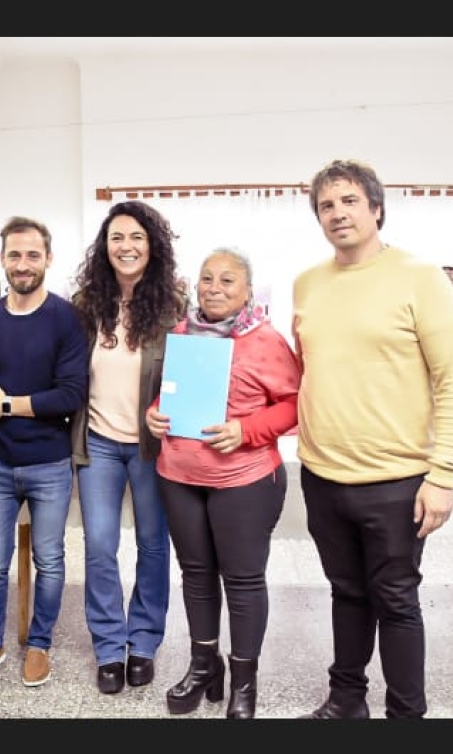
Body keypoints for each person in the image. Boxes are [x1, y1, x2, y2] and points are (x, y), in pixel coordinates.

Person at [292, 158, 453, 719]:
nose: (337, 213)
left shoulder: (421, 278)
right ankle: (347, 699)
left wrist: (442, 475)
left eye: (349, 201)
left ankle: (406, 715)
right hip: (323, 474)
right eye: (326, 204)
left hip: (397, 481)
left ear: (375, 208)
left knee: (395, 600)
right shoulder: (308, 284)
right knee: (345, 593)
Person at [145, 247, 301, 719]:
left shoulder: (266, 339)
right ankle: (203, 664)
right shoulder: (181, 334)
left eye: (227, 280)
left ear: (249, 291)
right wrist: (155, 413)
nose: (214, 287)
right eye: (207, 278)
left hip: (244, 480)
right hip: (178, 476)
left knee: (243, 580)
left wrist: (246, 430)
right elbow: (168, 394)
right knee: (196, 574)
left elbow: (295, 405)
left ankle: (244, 680)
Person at [0, 215, 88, 688]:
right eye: (15, 254)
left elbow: (70, 395)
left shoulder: (67, 319)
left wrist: (7, 404)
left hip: (50, 464)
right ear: (2, 260)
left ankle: (39, 645)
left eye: (33, 254)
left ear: (48, 259)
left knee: (49, 559)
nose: (23, 264)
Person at [70, 201, 187, 694]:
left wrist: (172, 412)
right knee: (99, 546)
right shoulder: (83, 306)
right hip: (96, 443)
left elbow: (186, 376)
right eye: (117, 237)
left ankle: (143, 641)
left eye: (137, 237)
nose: (127, 247)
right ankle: (109, 645)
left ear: (152, 245)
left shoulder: (172, 307)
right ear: (105, 246)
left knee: (153, 545)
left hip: (150, 447)